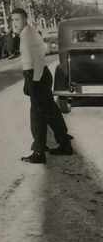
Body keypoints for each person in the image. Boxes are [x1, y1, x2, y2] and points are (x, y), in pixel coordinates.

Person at [12, 8, 73, 165]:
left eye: (17, 19)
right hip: (38, 75)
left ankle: (39, 152)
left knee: (37, 114)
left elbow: (38, 59)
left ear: (25, 19)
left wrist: (33, 82)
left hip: (37, 75)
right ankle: (64, 143)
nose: (14, 23)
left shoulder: (27, 35)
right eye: (13, 20)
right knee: (51, 111)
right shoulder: (28, 33)